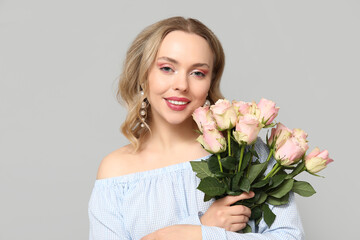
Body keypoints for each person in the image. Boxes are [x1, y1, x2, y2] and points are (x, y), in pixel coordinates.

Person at [88, 16, 304, 240]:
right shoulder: (116, 172)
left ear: (210, 83)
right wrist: (198, 227)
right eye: (167, 68)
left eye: (198, 73)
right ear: (144, 75)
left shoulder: (243, 149)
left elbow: (290, 236)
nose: (181, 85)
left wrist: (200, 234)